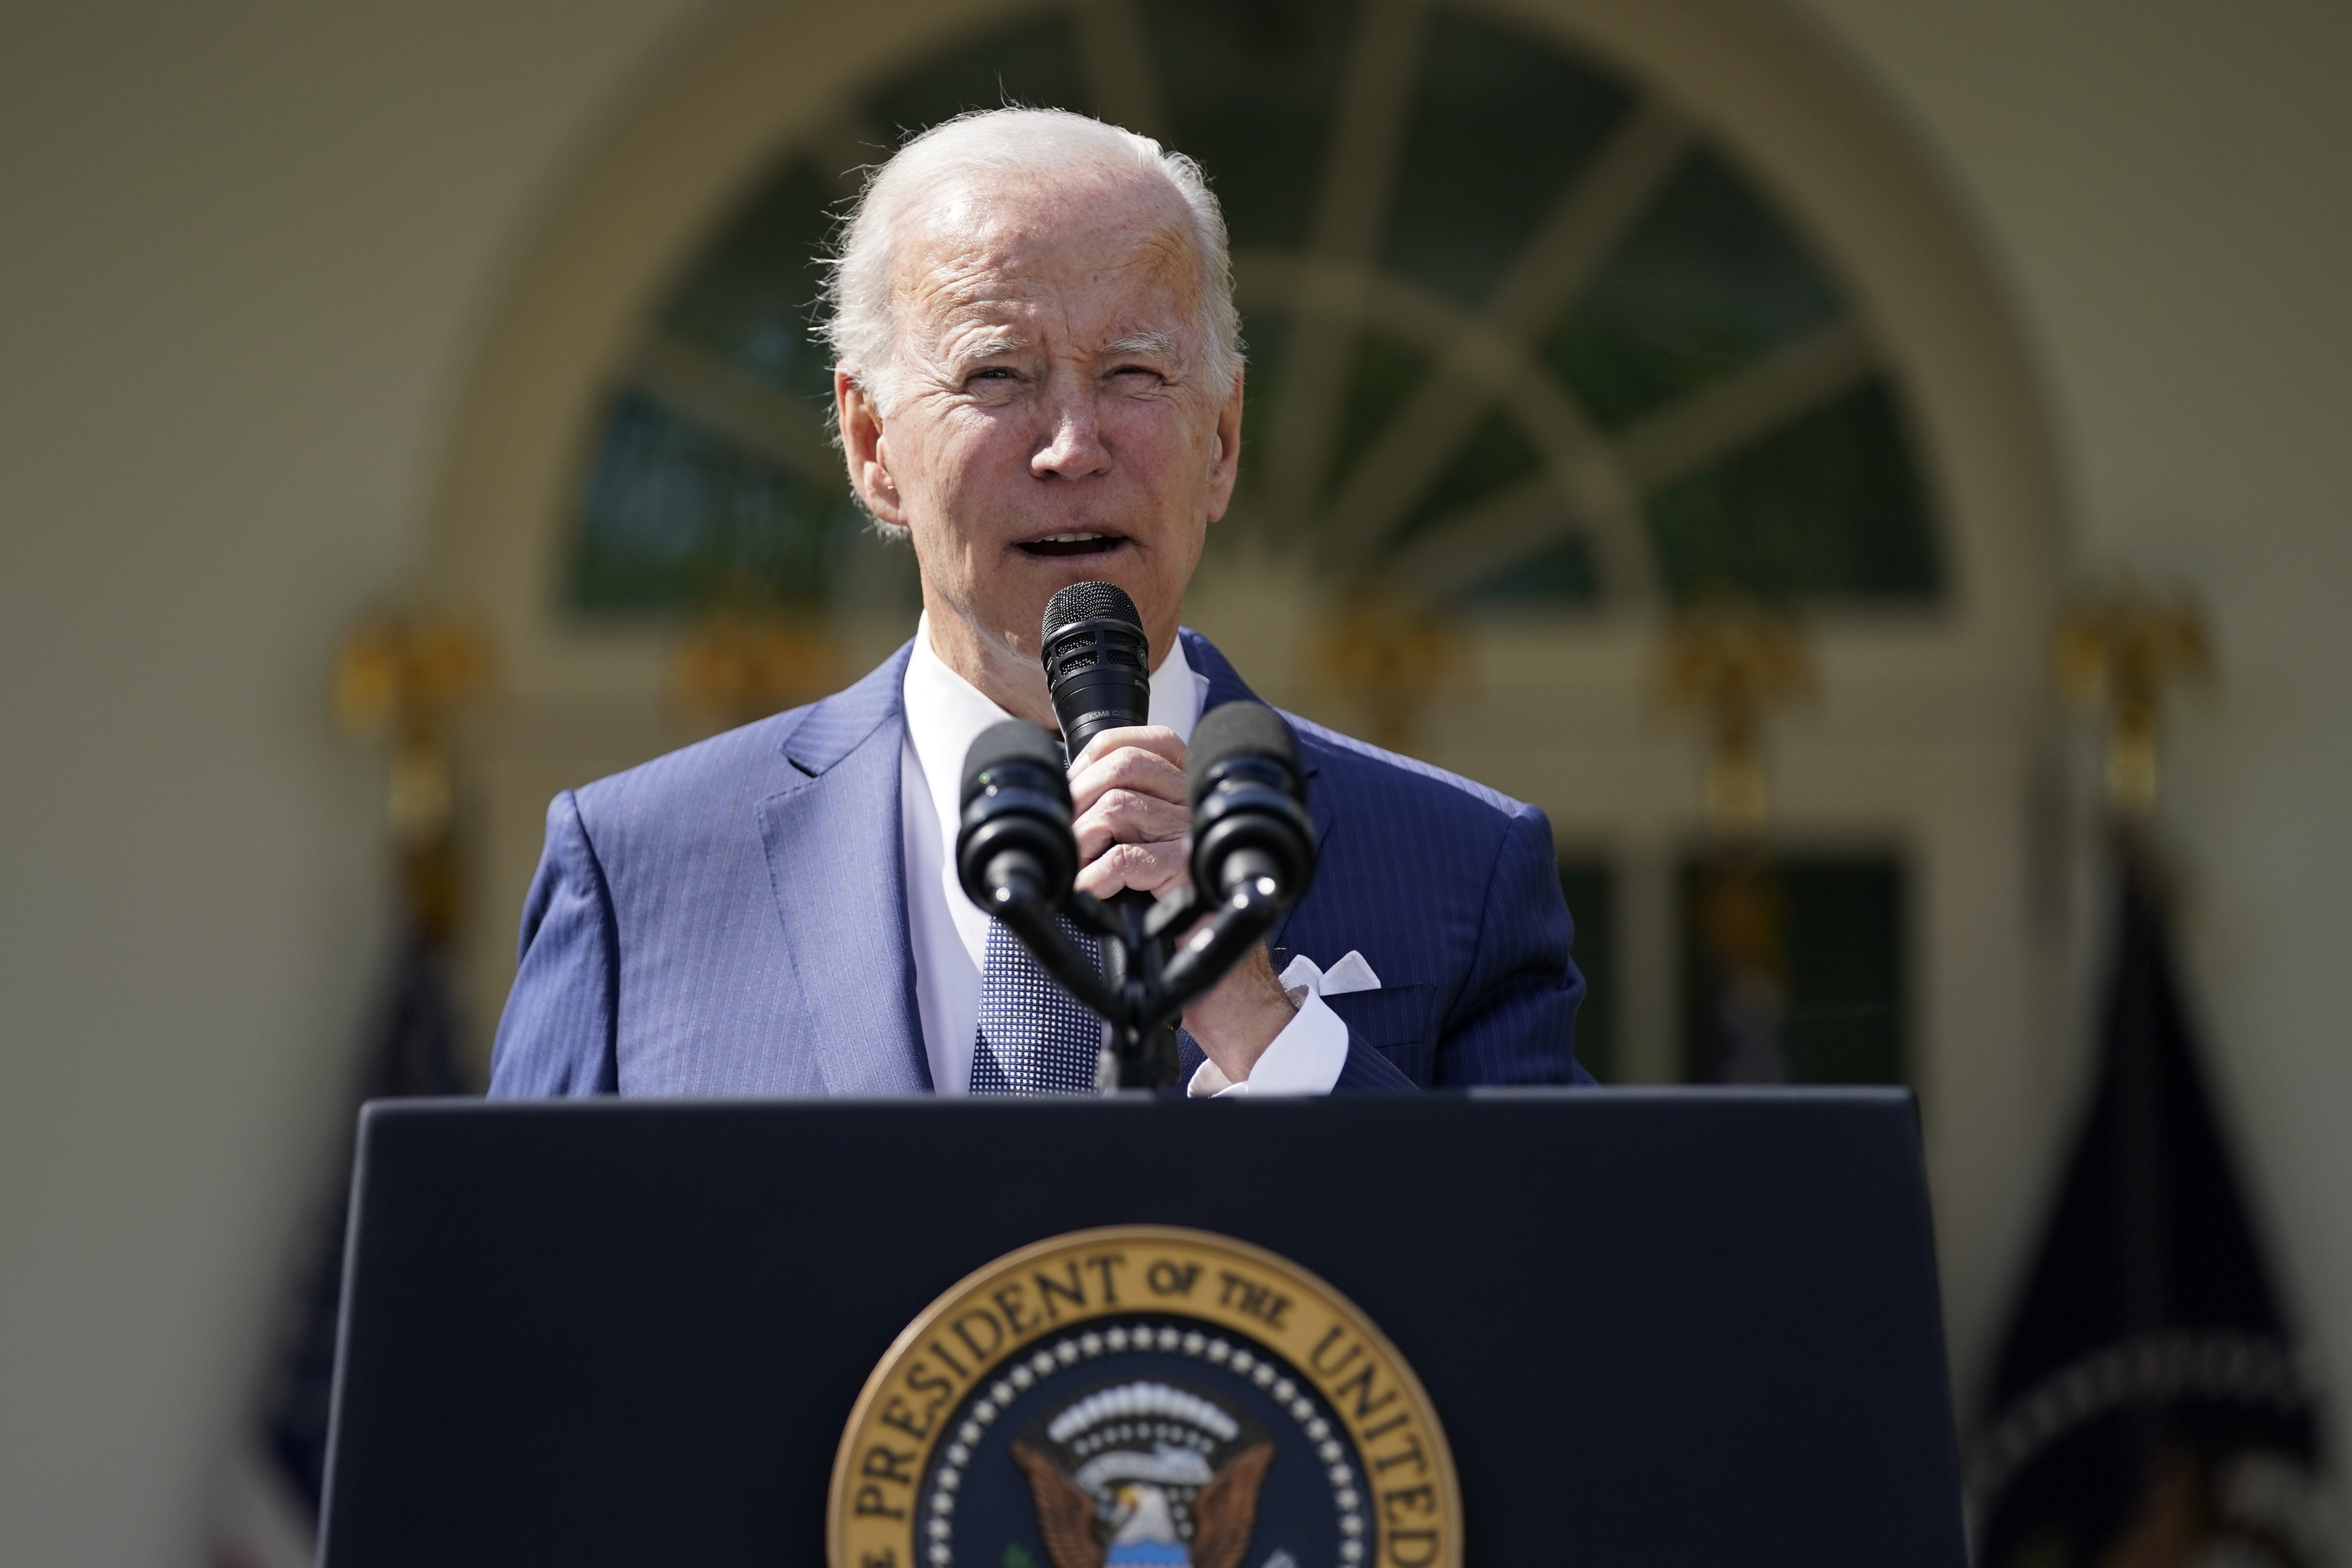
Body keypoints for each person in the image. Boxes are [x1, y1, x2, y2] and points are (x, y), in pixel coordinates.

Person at [489, 108, 1586, 1098]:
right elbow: (507, 1306)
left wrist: (1263, 1025)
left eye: (1133, 376)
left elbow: (1550, 1298)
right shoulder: (645, 873)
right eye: (996, 376)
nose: (1072, 447)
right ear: (873, 445)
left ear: (1223, 439)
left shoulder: (1461, 867)